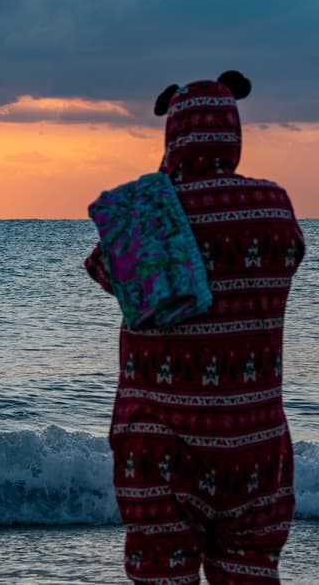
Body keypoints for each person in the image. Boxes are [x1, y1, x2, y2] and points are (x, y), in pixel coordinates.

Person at [86, 71, 306, 585]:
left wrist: (160, 190)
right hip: (256, 443)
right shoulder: (274, 206)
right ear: (234, 134)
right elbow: (293, 253)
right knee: (250, 572)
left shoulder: (146, 215)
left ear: (173, 135)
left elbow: (104, 271)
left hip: (160, 446)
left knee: (162, 570)